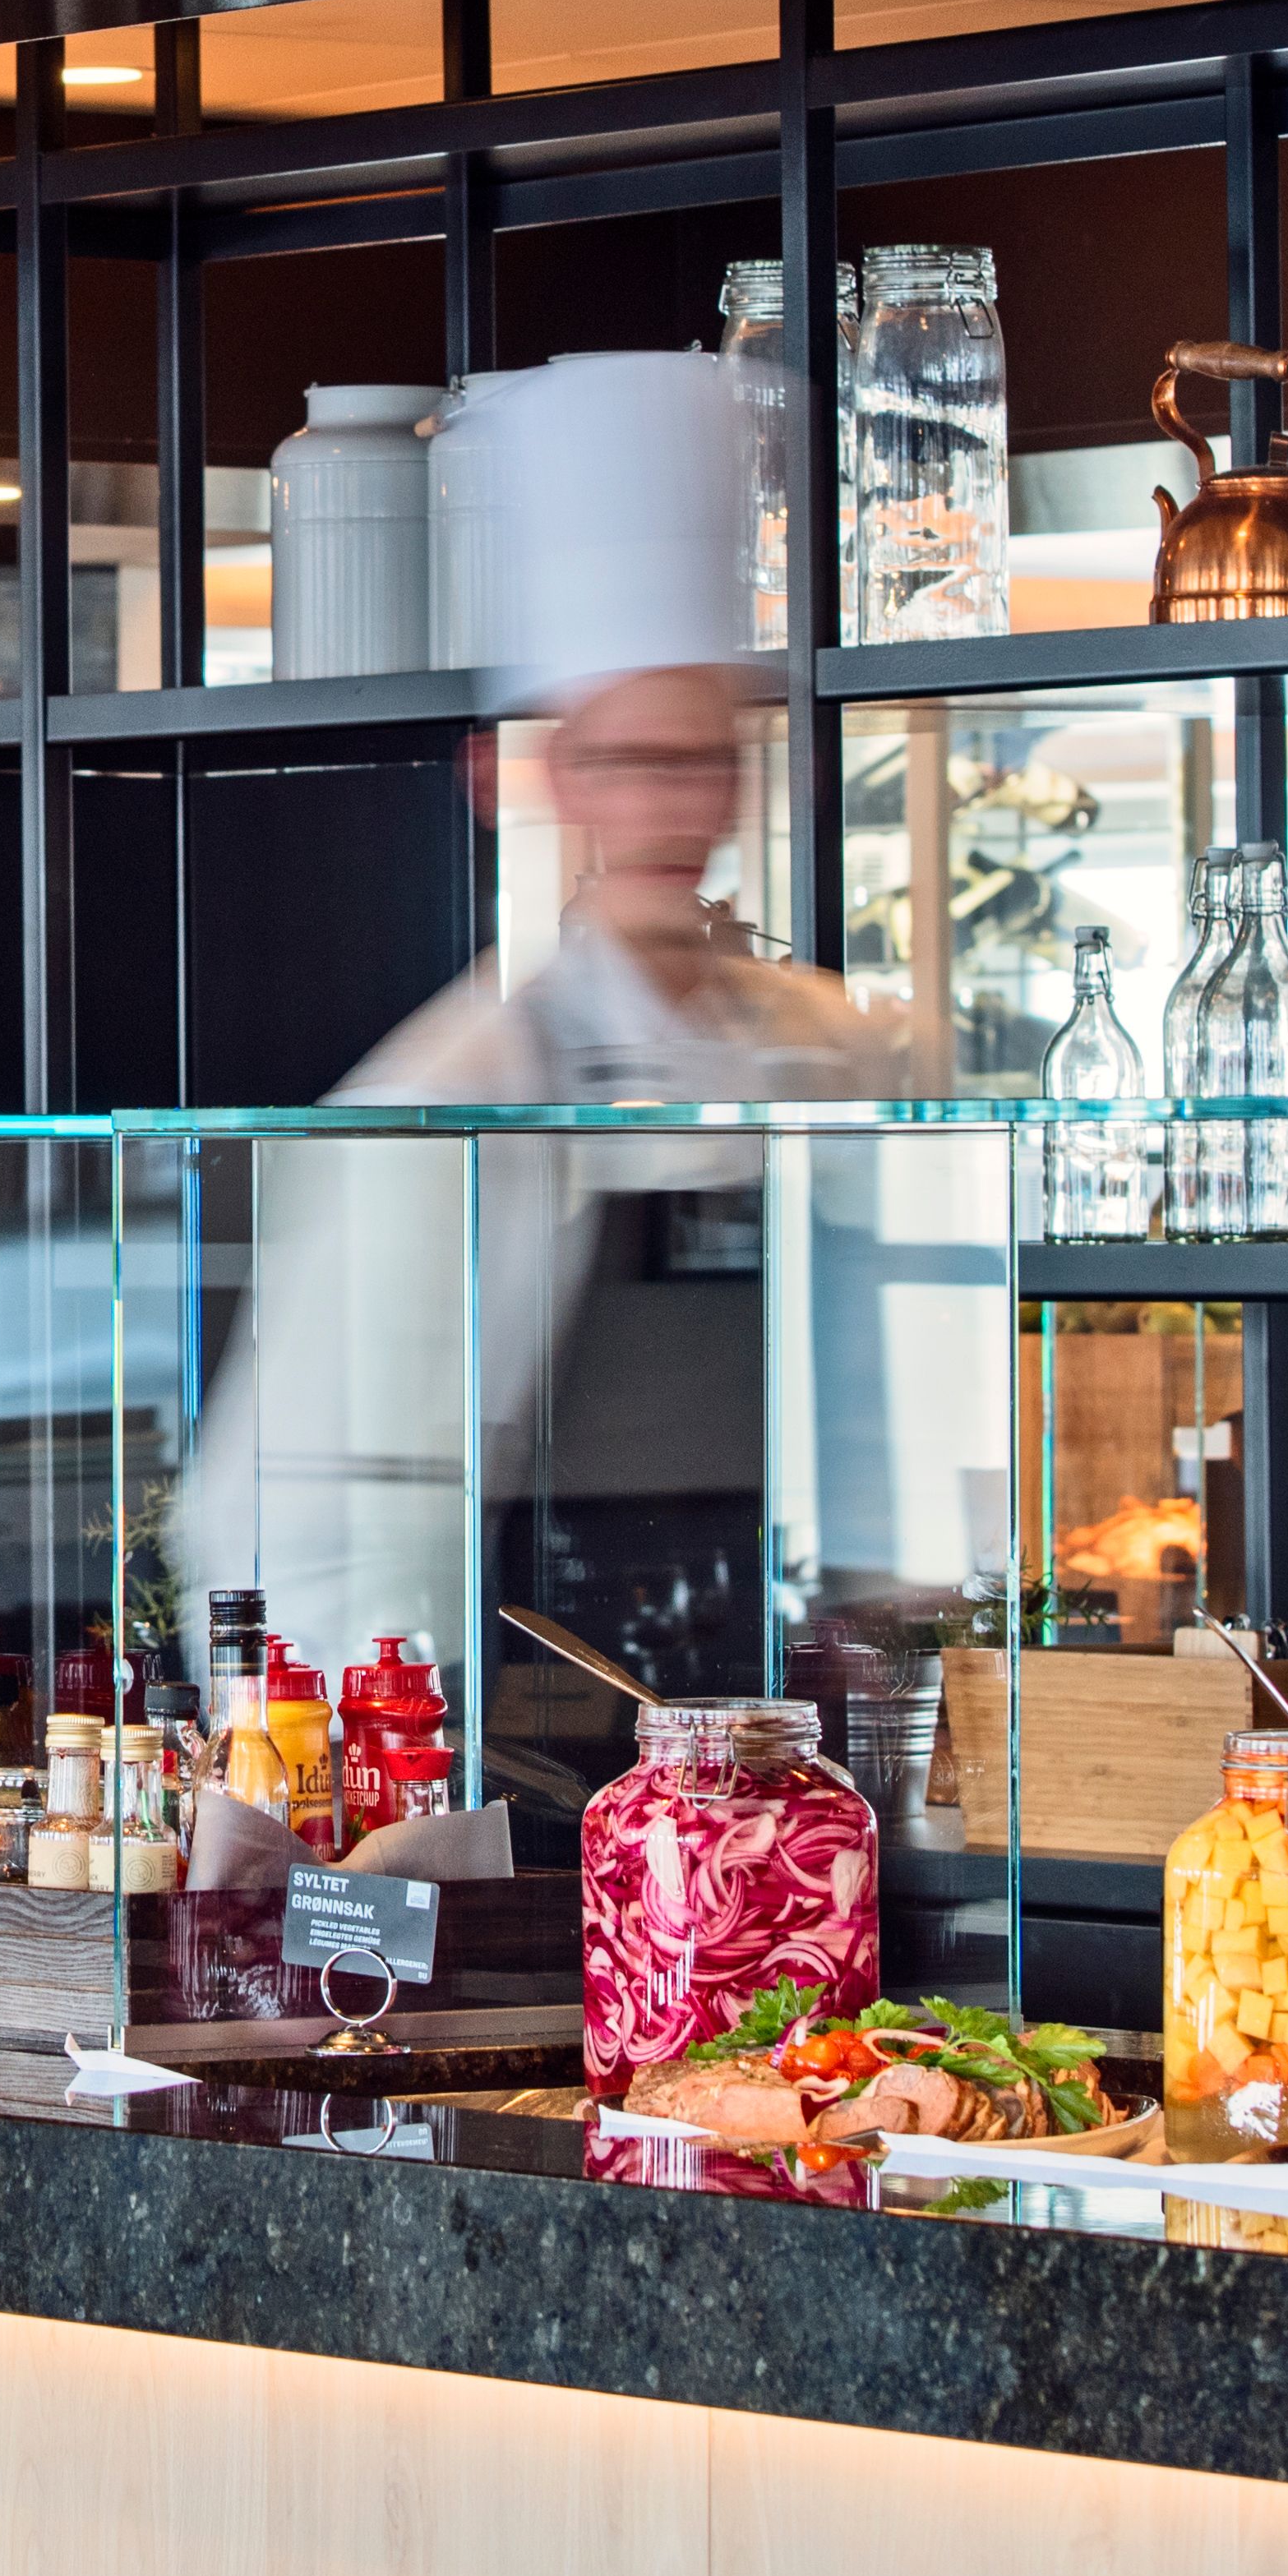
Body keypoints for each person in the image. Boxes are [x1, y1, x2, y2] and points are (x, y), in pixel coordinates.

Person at [173, 353, 913, 1821]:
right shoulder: (444, 1093)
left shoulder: (827, 1052)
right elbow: (289, 1518)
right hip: (512, 1770)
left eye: (699, 760)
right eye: (629, 764)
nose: (669, 809)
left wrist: (898, 1643)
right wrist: (395, 1811)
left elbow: (887, 1424)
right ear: (539, 778)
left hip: (797, 1747)